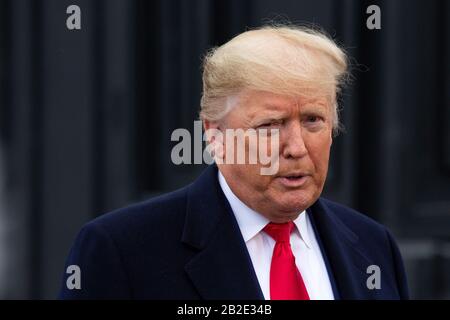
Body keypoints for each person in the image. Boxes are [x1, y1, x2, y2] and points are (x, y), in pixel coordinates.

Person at [59, 25, 409, 299]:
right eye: (271, 125)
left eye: (313, 120)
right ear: (214, 135)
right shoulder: (122, 250)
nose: (297, 147)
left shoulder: (373, 246)